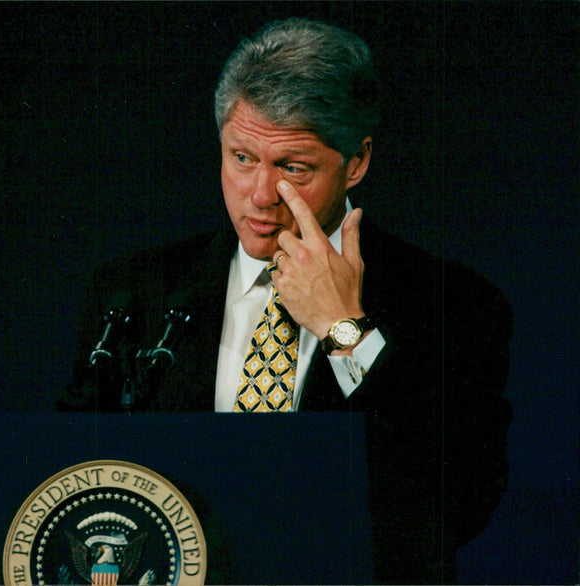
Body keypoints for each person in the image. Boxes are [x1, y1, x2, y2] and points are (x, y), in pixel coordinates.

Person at [59, 17, 512, 583]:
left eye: (293, 168)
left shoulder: (454, 303)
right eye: (242, 157)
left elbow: (461, 504)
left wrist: (344, 328)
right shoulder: (131, 294)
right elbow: (78, 476)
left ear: (357, 161)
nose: (260, 195)